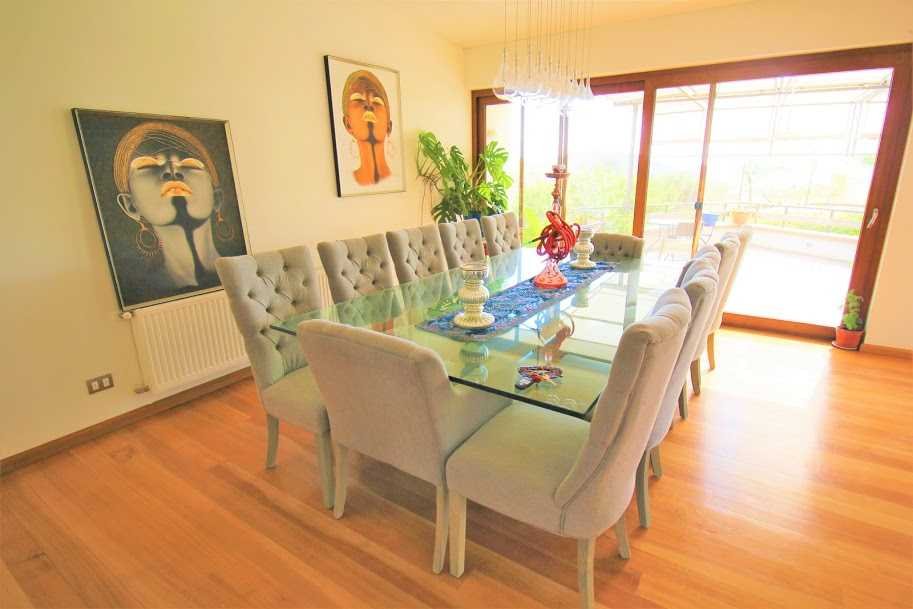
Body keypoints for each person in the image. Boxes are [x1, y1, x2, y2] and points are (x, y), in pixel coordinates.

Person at [112, 121, 232, 291]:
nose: (171, 171)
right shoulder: (146, 289)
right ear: (130, 205)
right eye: (148, 165)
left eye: (190, 165)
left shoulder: (245, 274)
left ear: (217, 198)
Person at [341, 70, 393, 186]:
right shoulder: (348, 182)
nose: (368, 105)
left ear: (388, 126)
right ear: (348, 124)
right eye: (358, 99)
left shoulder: (396, 180)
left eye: (377, 101)